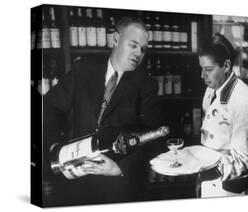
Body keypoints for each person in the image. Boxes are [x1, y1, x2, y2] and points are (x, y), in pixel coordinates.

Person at [43, 17, 162, 205]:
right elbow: (48, 107)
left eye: (143, 49)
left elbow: (154, 136)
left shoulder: (146, 85)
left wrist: (119, 168)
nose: (138, 53)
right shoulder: (82, 70)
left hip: (117, 188)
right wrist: (53, 145)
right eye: (133, 45)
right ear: (115, 40)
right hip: (75, 182)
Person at [197, 33, 248, 197]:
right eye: (201, 69)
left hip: (230, 190)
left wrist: (199, 167)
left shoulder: (245, 102)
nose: (202, 76)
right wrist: (200, 178)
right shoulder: (212, 88)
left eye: (208, 70)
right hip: (208, 182)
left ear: (226, 66)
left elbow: (241, 161)